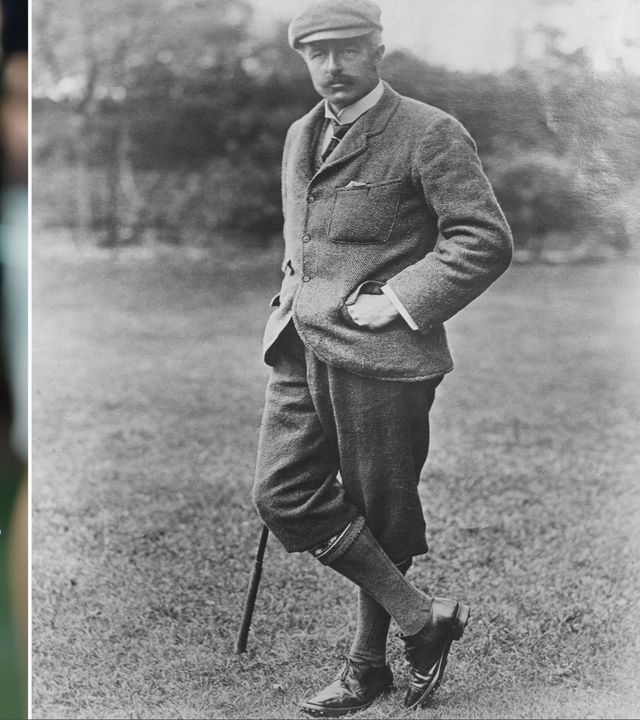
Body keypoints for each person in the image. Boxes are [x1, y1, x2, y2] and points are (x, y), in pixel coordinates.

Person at [251, 0, 512, 715]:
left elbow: (483, 239)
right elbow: (302, 239)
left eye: (346, 49)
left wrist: (396, 299)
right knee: (282, 494)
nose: (332, 67)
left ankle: (366, 668)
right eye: (317, 53)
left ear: (377, 49)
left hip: (383, 356)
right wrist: (290, 287)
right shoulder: (300, 134)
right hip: (298, 348)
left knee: (377, 511)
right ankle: (423, 619)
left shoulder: (429, 131)